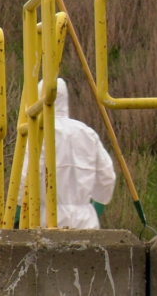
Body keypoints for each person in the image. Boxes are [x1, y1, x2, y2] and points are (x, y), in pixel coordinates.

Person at [20, 78, 116, 228]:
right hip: (86, 220)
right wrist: (99, 204)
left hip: (48, 220)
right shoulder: (87, 132)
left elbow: (26, 177)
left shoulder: (38, 133)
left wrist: (20, 209)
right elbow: (107, 175)